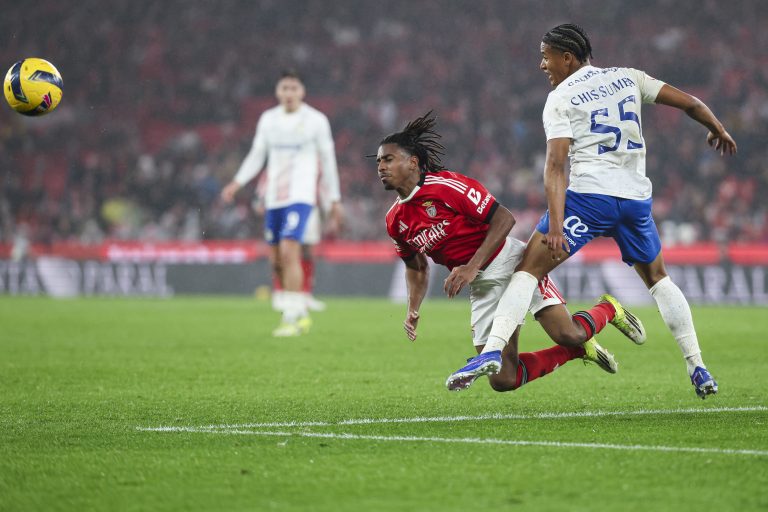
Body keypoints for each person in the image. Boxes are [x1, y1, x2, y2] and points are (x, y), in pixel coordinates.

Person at [448, 24, 737, 398]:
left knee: (528, 270)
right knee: (659, 279)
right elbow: (691, 103)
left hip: (589, 199)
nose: (542, 65)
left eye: (546, 57)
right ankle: (697, 365)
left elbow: (555, 166)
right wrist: (717, 128)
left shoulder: (560, 98)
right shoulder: (628, 77)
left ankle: (491, 351)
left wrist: (555, 224)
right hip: (635, 201)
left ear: (567, 58)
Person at [377, 112, 645, 392]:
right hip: (481, 284)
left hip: (512, 262)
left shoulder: (446, 186)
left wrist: (471, 266)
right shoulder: (394, 220)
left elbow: (504, 218)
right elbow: (416, 267)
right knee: (503, 379)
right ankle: (577, 351)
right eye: (379, 162)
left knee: (569, 333)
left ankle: (608, 309)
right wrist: (413, 308)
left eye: (388, 159)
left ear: (413, 162)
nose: (381, 167)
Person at [221, 70, 343, 337]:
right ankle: (297, 309)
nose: (289, 93)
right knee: (276, 259)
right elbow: (257, 155)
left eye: (293, 88)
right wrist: (237, 182)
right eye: (284, 88)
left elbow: (328, 160)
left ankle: (292, 317)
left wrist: (334, 198)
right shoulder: (269, 119)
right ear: (278, 92)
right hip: (274, 196)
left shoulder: (316, 121)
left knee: (290, 251)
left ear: (302, 91)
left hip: (301, 196)